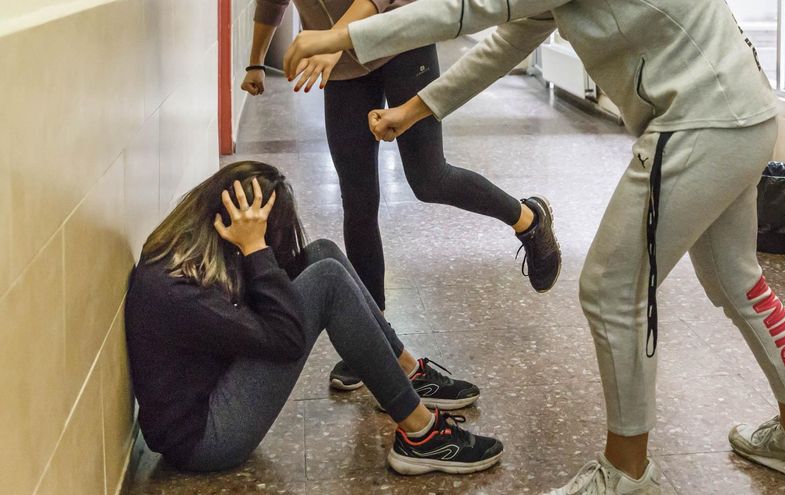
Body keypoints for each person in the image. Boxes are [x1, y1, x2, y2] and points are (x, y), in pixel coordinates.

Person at [280, 1, 785, 493]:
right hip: (741, 114)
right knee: (737, 280)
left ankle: (626, 473)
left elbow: (465, 9)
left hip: (698, 125)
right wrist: (416, 108)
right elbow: (508, 39)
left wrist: (340, 37)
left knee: (610, 289)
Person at [240, 0, 563, 391]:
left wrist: (332, 40)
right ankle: (372, 338)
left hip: (401, 40)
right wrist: (256, 60)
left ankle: (528, 219)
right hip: (342, 65)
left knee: (429, 179)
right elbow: (271, 2)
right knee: (357, 200)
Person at [124, 161, 503, 475]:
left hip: (213, 385)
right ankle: (422, 436)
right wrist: (256, 248)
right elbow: (286, 339)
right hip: (206, 437)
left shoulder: (187, 253)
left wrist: (258, 252)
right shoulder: (179, 292)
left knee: (321, 253)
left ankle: (405, 371)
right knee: (327, 282)